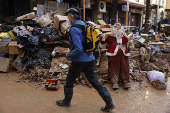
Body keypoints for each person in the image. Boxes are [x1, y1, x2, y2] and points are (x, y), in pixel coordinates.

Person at [56, 7, 115, 112]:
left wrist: (70, 54)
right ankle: (109, 102)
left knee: (69, 80)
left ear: (72, 16)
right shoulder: (85, 25)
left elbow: (78, 48)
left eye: (68, 15)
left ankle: (66, 101)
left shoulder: (74, 28)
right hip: (90, 58)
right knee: (94, 81)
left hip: (79, 60)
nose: (68, 18)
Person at [100, 23, 131, 89]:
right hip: (113, 54)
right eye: (116, 27)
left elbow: (128, 42)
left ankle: (125, 81)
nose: (117, 29)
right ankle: (115, 82)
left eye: (119, 28)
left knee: (124, 67)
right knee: (114, 67)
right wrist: (103, 35)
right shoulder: (109, 36)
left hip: (123, 53)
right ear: (113, 29)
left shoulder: (124, 36)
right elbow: (102, 42)